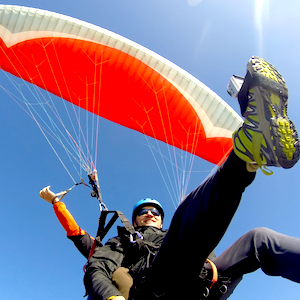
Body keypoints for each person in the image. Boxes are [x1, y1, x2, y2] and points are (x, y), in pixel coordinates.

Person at [48, 56, 300, 300]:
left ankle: (253, 148)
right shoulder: (121, 241)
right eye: (144, 211)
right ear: (134, 219)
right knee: (182, 233)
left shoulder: (171, 232)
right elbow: (97, 268)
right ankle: (245, 155)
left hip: (202, 282)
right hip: (155, 287)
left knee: (259, 240)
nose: (150, 213)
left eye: (155, 211)